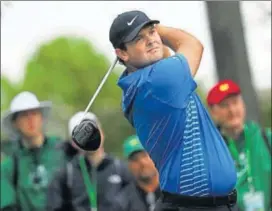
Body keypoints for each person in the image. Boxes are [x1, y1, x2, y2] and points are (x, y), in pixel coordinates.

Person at [72, 10, 238, 211]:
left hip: (200, 204)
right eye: (139, 38)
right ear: (122, 53)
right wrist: (159, 30)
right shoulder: (156, 82)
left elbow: (165, 56)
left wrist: (147, 36)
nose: (150, 39)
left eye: (151, 32)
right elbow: (193, 45)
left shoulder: (140, 83)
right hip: (194, 206)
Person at [46, 111, 133, 211]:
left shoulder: (120, 169)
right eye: (83, 135)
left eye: (94, 130)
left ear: (102, 132)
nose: (91, 137)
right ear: (74, 143)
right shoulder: (66, 174)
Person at [207, 79, 271, 211]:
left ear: (243, 105)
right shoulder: (209, 152)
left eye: (235, 103)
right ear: (213, 112)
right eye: (224, 105)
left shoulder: (266, 138)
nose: (232, 110)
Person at [0, 91, 66, 211]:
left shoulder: (63, 151)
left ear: (41, 117)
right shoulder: (8, 167)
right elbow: (7, 206)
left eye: (34, 113)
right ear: (15, 123)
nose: (31, 119)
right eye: (24, 115)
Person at [112, 135, 161, 211]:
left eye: (145, 155)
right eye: (135, 159)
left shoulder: (176, 194)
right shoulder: (122, 202)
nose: (142, 162)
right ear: (129, 165)